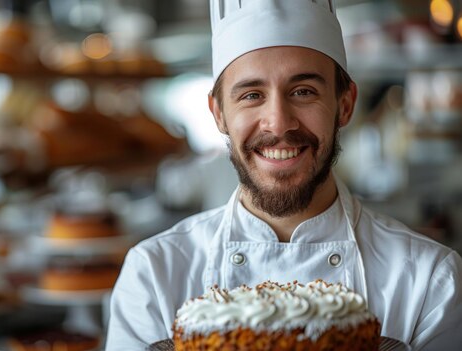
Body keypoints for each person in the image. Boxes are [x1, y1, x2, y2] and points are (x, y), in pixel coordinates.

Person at [105, 0, 462, 350]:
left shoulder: (429, 280)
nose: (278, 122)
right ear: (218, 114)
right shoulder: (153, 275)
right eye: (251, 95)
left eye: (303, 91)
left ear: (345, 104)